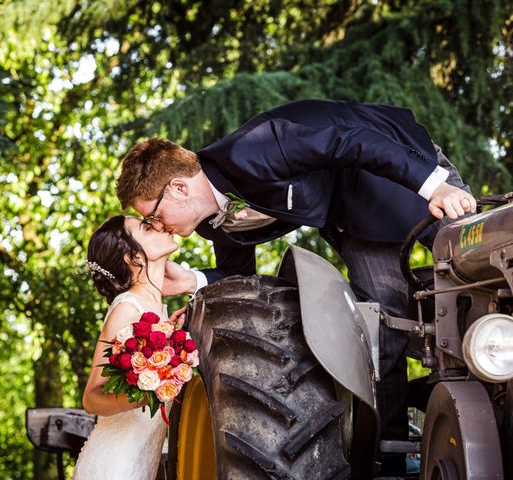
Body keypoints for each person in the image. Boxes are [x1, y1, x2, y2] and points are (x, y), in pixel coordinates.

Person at [115, 99, 476, 474]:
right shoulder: (212, 222)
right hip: (350, 215)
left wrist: (435, 187)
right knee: (384, 323)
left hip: (393, 167)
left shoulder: (253, 148)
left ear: (178, 187)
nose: (157, 227)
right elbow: (240, 279)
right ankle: (393, 457)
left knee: (474, 270)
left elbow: (352, 141)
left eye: (154, 216)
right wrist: (193, 280)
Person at [73, 215, 186, 480]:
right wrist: (152, 390)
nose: (159, 225)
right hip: (114, 465)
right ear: (132, 257)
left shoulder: (157, 311)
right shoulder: (127, 308)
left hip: (143, 461)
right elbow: (91, 398)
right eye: (147, 227)